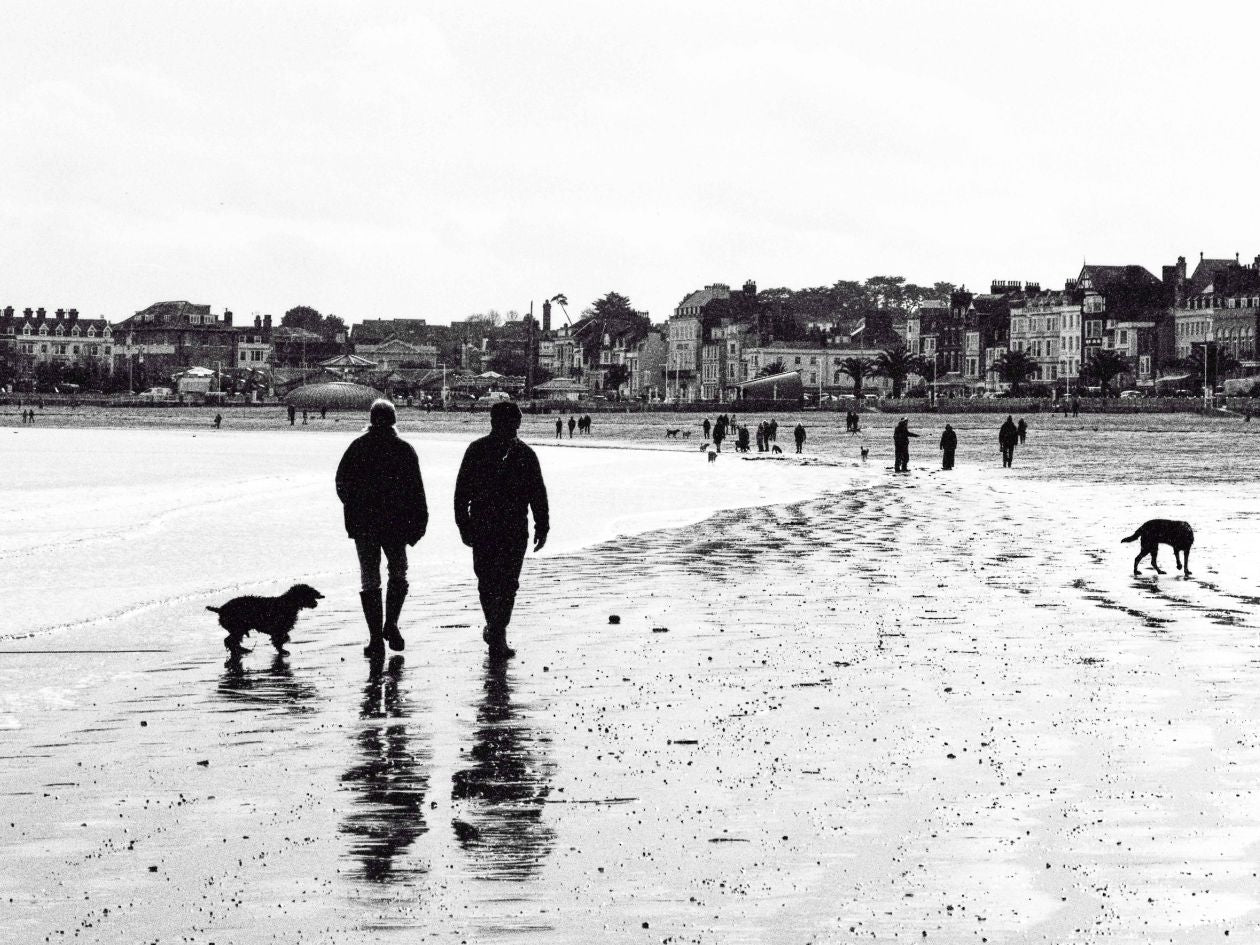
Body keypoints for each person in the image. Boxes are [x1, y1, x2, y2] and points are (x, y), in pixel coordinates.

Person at [455, 401, 549, 660]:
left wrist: (463, 524)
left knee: (491, 583)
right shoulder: (523, 454)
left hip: (489, 527)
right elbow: (538, 495)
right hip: (509, 528)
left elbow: (460, 494)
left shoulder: (477, 450)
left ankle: (496, 632)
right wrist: (542, 525)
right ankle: (497, 632)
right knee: (505, 584)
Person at [336, 399, 429, 656]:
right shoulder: (404, 449)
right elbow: (416, 491)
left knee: (370, 577)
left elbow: (341, 484)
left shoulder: (357, 447)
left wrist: (354, 508)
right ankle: (392, 624)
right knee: (398, 571)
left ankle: (376, 638)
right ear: (394, 420)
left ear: (371, 419)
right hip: (396, 524)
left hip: (364, 525)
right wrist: (419, 523)